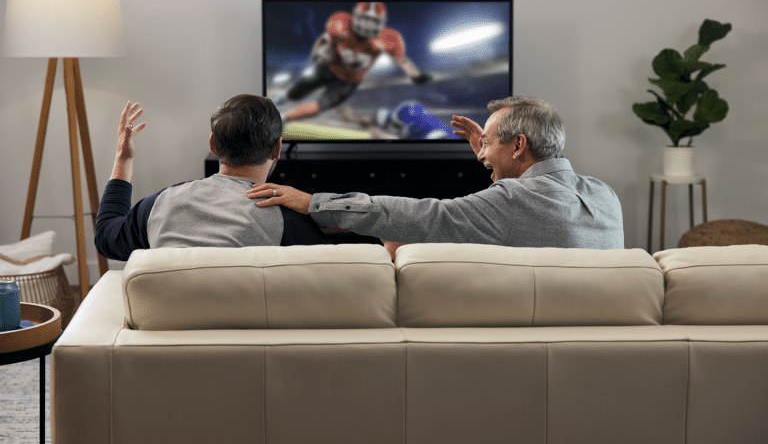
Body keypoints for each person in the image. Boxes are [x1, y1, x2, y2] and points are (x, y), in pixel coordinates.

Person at [247, 97, 624, 254]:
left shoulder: (512, 202)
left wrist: (313, 202)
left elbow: (424, 216)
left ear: (519, 145)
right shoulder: (605, 196)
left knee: (397, 241)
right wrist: (492, 152)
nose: (481, 152)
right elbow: (514, 210)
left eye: (487, 143)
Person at [95, 95, 328, 261]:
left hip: (167, 328)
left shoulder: (159, 204)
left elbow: (106, 236)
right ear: (277, 148)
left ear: (212, 145)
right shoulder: (285, 218)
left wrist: (123, 159)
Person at [279, 1, 431, 121]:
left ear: (382, 22)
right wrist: (318, 54)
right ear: (355, 16)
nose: (367, 25)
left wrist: (415, 75)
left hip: (350, 80)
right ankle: (283, 98)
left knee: (321, 105)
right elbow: (324, 40)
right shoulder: (341, 22)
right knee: (297, 91)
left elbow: (401, 60)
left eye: (373, 21)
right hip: (329, 68)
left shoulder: (390, 38)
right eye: (365, 19)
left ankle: (284, 118)